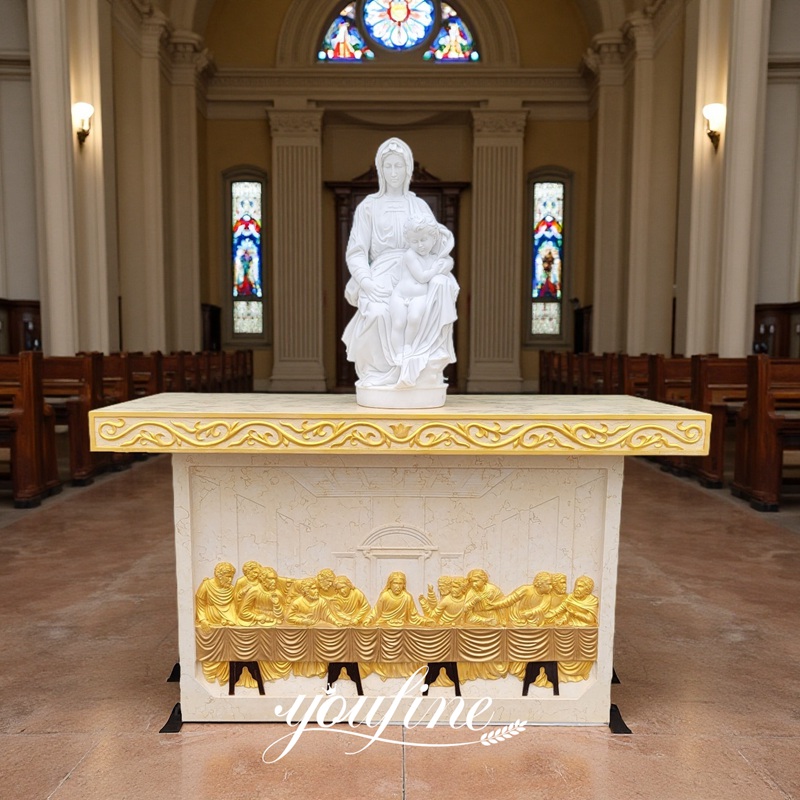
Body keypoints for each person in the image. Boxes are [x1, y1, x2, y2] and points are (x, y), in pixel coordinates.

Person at [342, 137, 459, 400]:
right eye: (388, 166)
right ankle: (378, 375)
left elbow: (437, 244)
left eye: (399, 166)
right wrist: (366, 281)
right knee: (377, 313)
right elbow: (357, 252)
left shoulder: (418, 206)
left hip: (414, 273)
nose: (393, 172)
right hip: (380, 273)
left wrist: (443, 264)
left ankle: (414, 368)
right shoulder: (368, 207)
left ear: (408, 169)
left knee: (428, 301)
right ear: (380, 170)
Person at [388, 216, 454, 387]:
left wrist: (444, 260)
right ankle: (398, 352)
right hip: (400, 296)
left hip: (419, 297)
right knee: (398, 323)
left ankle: (408, 346)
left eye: (424, 240)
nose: (420, 245)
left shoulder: (433, 257)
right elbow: (422, 277)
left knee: (415, 318)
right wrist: (436, 268)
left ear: (434, 238)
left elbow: (448, 260)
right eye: (414, 241)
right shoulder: (410, 255)